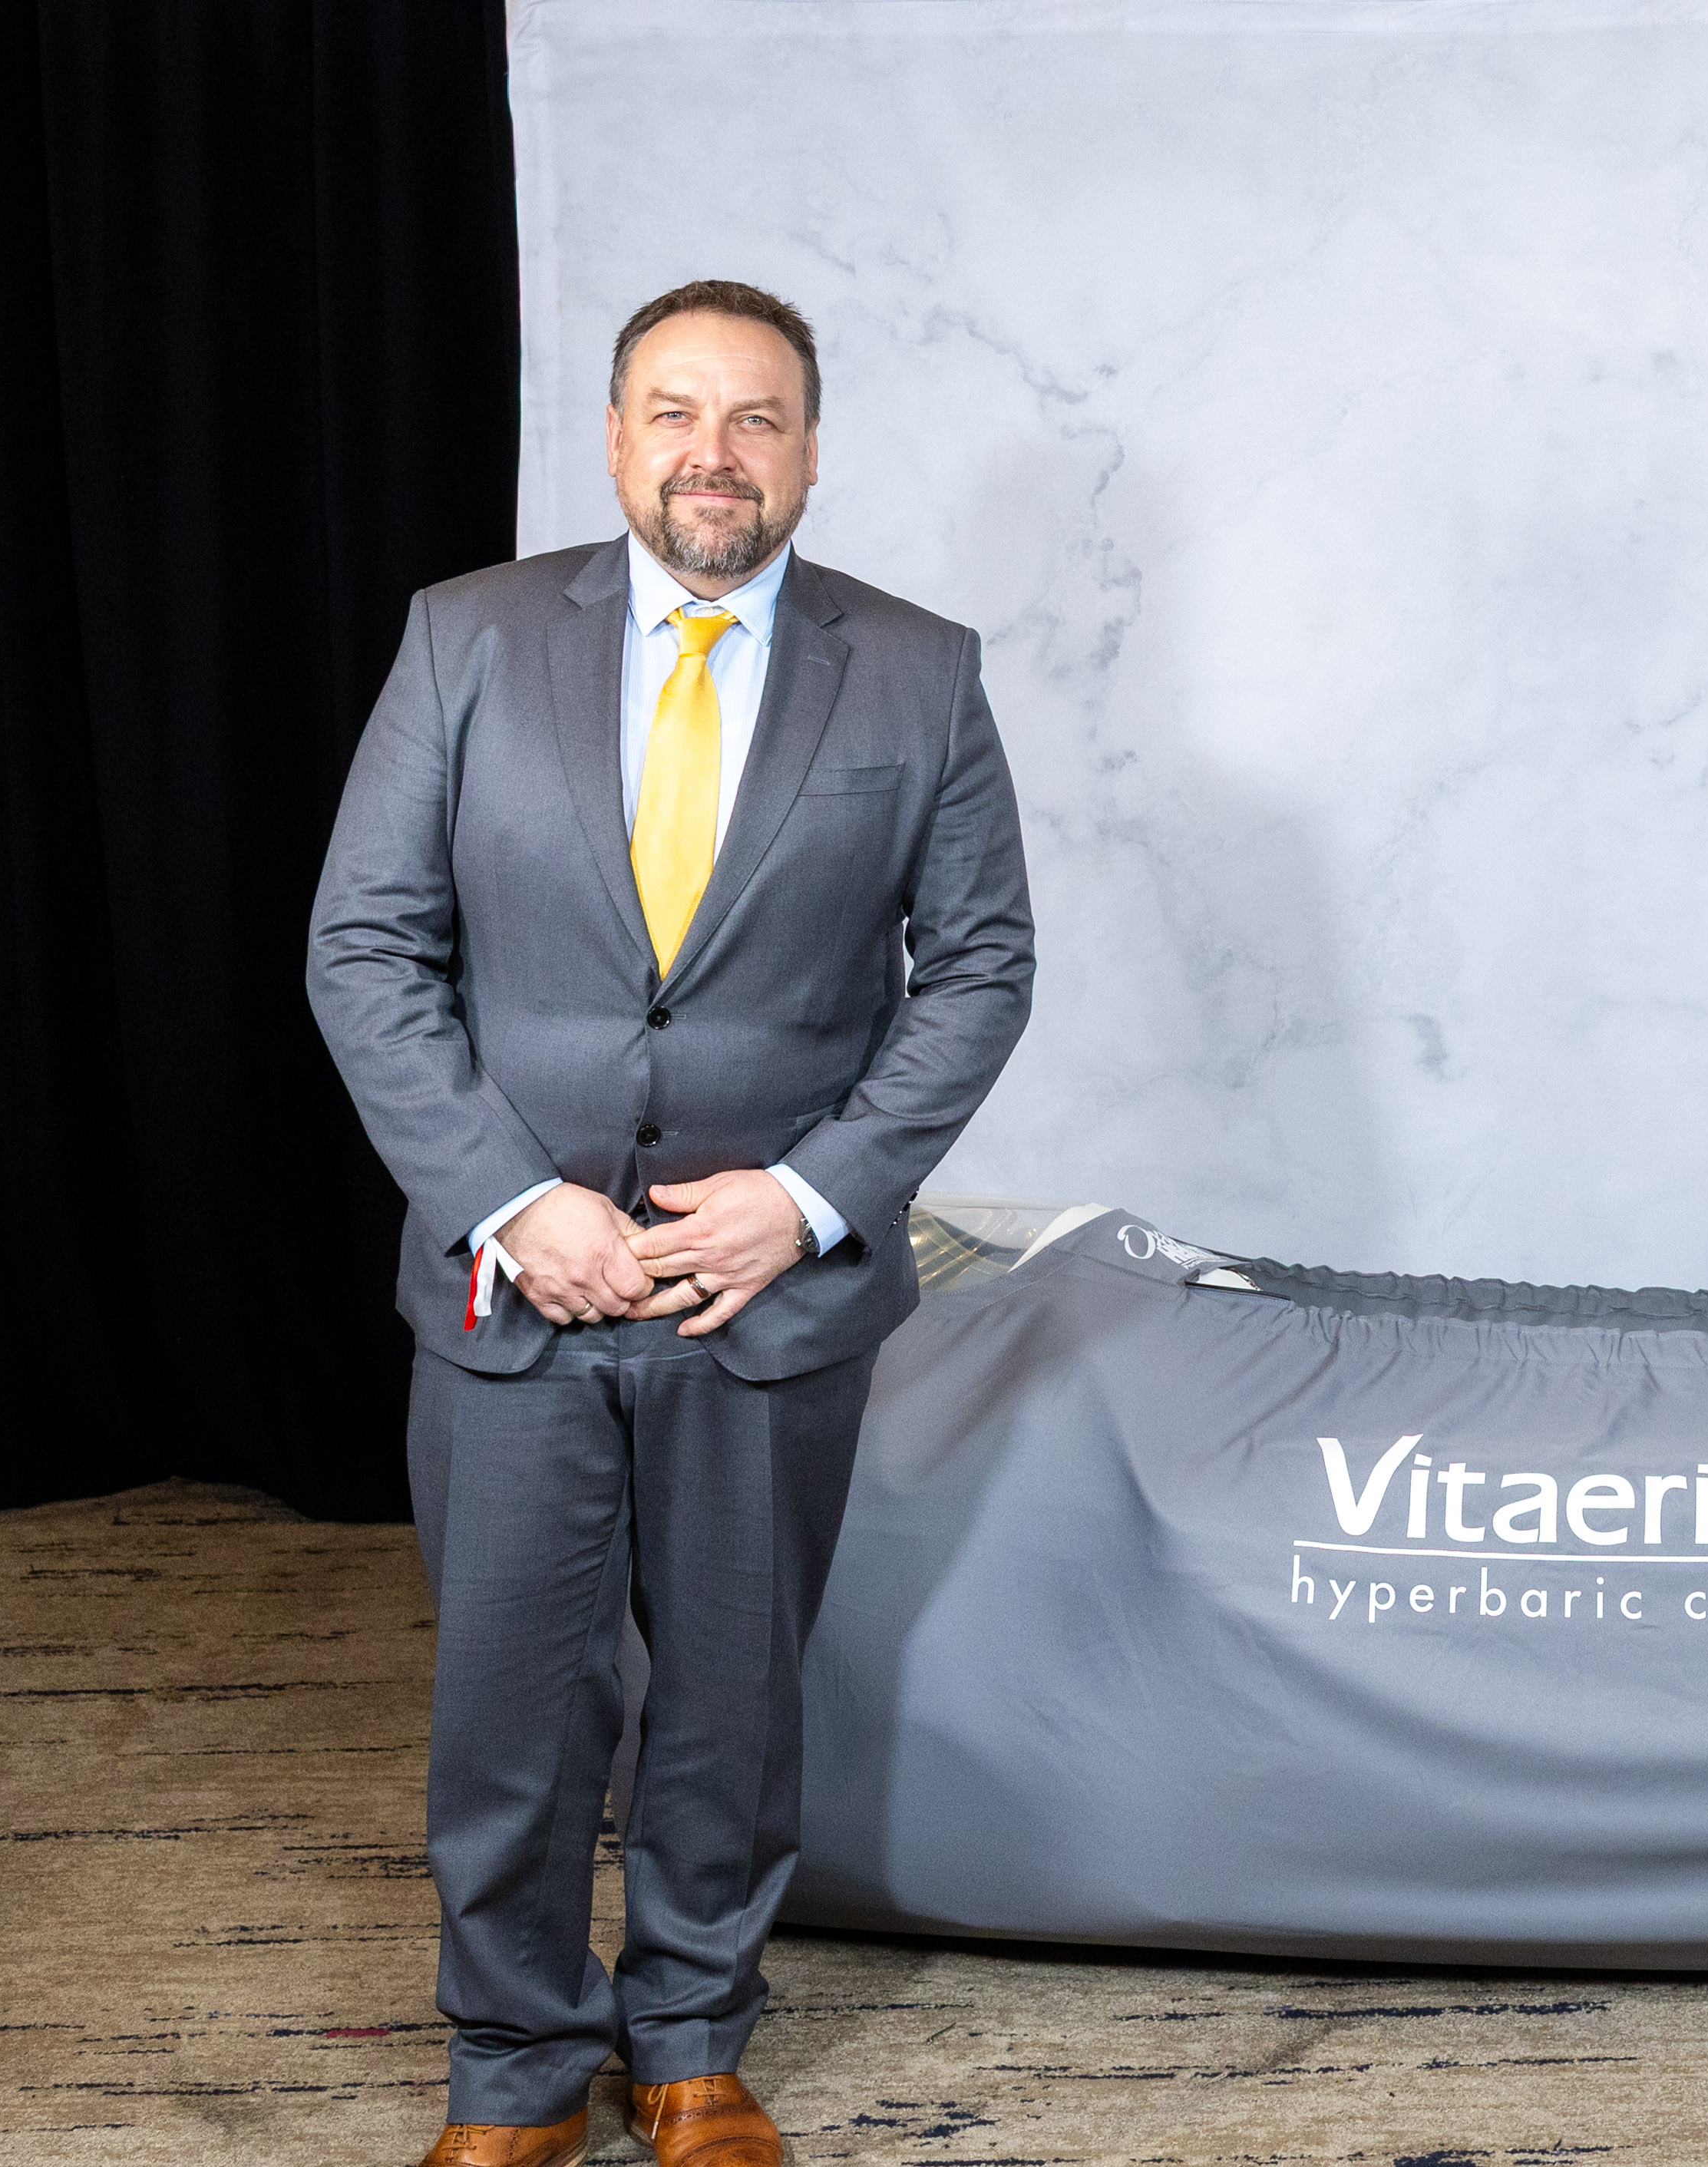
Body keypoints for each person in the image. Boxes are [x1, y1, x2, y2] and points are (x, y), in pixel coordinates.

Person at [309, 279, 1036, 2167]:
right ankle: (514, 2070)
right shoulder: (466, 637)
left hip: (761, 1301)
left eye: (756, 417)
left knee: (729, 1698)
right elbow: (365, 944)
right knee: (511, 1706)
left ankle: (693, 2043)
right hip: (514, 1287)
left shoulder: (919, 669)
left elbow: (977, 969)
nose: (714, 453)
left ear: (809, 449)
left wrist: (806, 1198)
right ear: (617, 435)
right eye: (675, 412)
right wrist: (506, 1194)